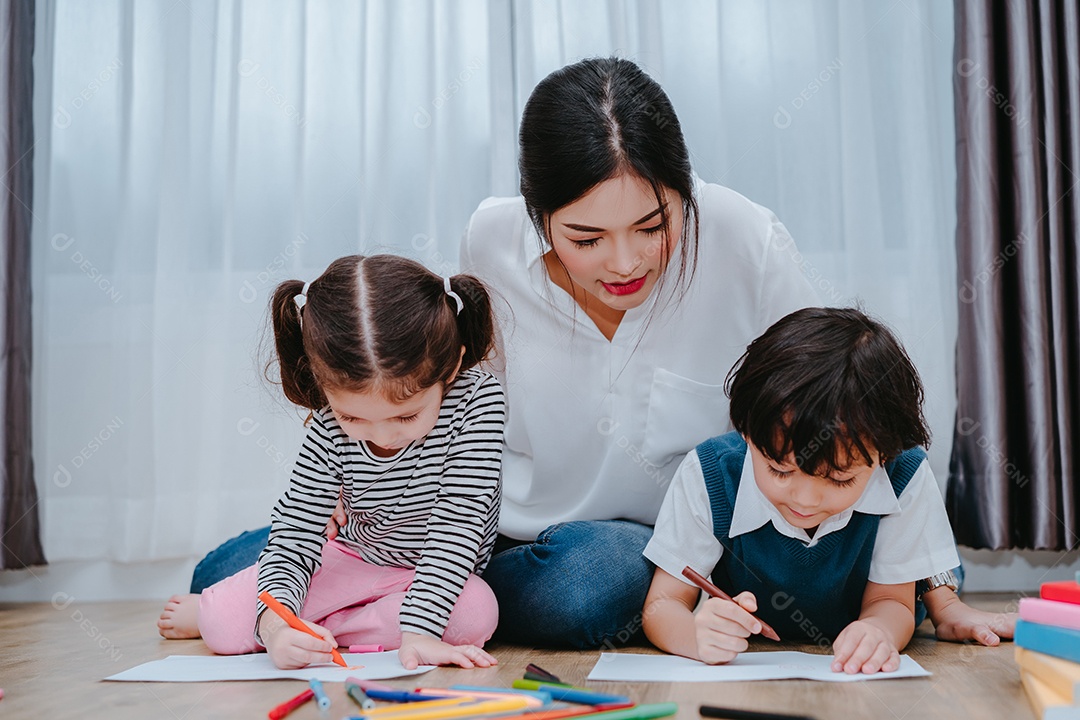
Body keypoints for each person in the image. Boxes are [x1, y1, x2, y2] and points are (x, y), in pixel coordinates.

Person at [189, 57, 1014, 649]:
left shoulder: (745, 240)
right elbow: (447, 401)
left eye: (653, 226)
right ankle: (371, 585)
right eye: (586, 236)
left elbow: (845, 402)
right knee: (229, 567)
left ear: (684, 194)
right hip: (502, 535)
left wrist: (935, 589)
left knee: (605, 580)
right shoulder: (489, 242)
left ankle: (358, 600)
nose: (625, 263)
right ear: (537, 214)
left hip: (663, 550)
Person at [158, 255, 505, 670]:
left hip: (433, 569)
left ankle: (319, 628)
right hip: (353, 558)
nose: (382, 436)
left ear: (449, 368)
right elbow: (295, 533)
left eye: (407, 416)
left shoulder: (478, 399)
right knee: (220, 626)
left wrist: (420, 633)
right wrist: (278, 628)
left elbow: (457, 524)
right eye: (353, 418)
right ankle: (269, 622)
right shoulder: (326, 423)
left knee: (475, 613)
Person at [642, 307, 960, 673]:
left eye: (840, 480)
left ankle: (941, 580)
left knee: (933, 568)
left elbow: (893, 600)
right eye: (779, 470)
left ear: (883, 455)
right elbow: (663, 603)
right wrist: (693, 636)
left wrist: (878, 631)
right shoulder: (710, 473)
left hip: (888, 577)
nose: (805, 500)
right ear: (746, 431)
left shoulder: (904, 474)